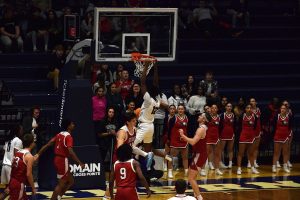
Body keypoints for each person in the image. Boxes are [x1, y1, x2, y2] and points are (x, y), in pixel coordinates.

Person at [37, 119, 85, 200]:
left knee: (70, 181)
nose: (74, 125)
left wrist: (39, 153)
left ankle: (58, 197)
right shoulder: (69, 137)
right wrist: (79, 163)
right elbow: (71, 151)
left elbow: (49, 144)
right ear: (69, 126)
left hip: (57, 159)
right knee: (61, 184)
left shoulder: (59, 134)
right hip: (62, 160)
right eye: (72, 124)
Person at [132, 60, 170, 163]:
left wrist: (147, 66)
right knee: (148, 149)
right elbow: (156, 83)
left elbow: (143, 82)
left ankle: (144, 157)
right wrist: (156, 67)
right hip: (151, 127)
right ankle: (149, 169)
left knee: (131, 147)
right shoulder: (157, 101)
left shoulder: (148, 99)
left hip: (144, 126)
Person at [180, 113, 211, 200]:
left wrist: (183, 136)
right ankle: (195, 195)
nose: (199, 116)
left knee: (191, 178)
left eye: (201, 116)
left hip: (199, 155)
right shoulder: (203, 128)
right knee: (191, 174)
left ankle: (199, 197)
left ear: (204, 119)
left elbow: (193, 142)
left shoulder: (201, 129)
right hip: (198, 153)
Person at [8, 134, 36, 200]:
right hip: (19, 183)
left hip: (12, 180)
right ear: (32, 143)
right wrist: (33, 188)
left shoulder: (18, 152)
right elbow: (29, 174)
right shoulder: (29, 156)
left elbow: (13, 168)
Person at [0, 124, 23, 199]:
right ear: (18, 131)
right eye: (21, 129)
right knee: (13, 190)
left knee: (8, 189)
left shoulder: (8, 140)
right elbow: (17, 155)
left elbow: (3, 152)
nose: (22, 131)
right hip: (11, 167)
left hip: (4, 166)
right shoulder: (18, 141)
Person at [22, 105, 42, 187]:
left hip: (34, 143)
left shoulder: (38, 120)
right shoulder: (27, 119)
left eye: (38, 113)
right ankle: (25, 181)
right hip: (27, 144)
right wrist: (32, 127)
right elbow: (24, 130)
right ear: (32, 112)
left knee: (35, 162)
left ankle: (34, 181)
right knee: (24, 162)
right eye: (36, 112)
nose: (37, 114)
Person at [167, 104, 189, 178]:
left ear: (184, 110)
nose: (180, 110)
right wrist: (169, 139)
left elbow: (188, 129)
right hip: (175, 140)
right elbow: (169, 129)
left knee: (185, 157)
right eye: (179, 109)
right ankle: (170, 171)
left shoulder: (187, 118)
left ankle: (186, 171)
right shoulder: (173, 118)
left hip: (184, 140)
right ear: (177, 110)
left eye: (182, 109)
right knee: (171, 157)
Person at [236, 104, 259, 175]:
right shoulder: (242, 116)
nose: (249, 109)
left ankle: (252, 168)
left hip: (251, 136)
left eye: (250, 108)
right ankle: (239, 168)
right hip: (243, 136)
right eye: (247, 108)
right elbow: (238, 126)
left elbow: (255, 127)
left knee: (251, 153)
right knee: (241, 153)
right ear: (245, 109)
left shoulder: (255, 116)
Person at [272, 104, 292, 173]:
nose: (283, 109)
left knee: (285, 152)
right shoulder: (276, 117)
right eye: (281, 108)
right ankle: (274, 166)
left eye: (284, 108)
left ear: (286, 110)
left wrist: (288, 136)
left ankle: (285, 166)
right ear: (280, 109)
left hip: (285, 137)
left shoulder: (289, 117)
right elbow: (273, 126)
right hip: (277, 136)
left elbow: (290, 127)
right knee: (276, 152)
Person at [206, 104, 223, 175]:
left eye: (215, 108)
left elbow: (221, 127)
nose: (214, 109)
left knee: (217, 154)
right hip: (208, 137)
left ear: (217, 109)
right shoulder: (207, 116)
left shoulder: (219, 117)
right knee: (206, 153)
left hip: (216, 137)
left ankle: (217, 169)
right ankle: (204, 169)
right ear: (210, 109)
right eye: (212, 108)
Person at [219, 103, 235, 168]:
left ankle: (230, 163)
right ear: (225, 107)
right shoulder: (222, 115)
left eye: (230, 106)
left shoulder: (233, 115)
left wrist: (234, 133)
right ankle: (220, 162)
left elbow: (235, 125)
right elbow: (219, 126)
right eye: (228, 106)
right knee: (221, 149)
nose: (229, 107)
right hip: (223, 134)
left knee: (230, 149)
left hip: (231, 134)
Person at [248, 98, 262, 168]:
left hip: (258, 130)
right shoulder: (248, 110)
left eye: (253, 101)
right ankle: (249, 161)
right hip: (251, 130)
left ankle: (254, 161)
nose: (251, 102)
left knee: (256, 147)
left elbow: (260, 120)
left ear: (256, 102)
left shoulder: (258, 110)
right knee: (250, 147)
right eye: (250, 101)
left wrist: (261, 129)